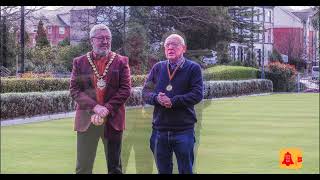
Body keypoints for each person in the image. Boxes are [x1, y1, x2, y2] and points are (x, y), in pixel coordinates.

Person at [69, 24, 131, 174]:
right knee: (83, 167)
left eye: (108, 38)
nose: (105, 41)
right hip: (86, 121)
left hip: (113, 120)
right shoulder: (80, 62)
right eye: (101, 38)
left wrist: (106, 109)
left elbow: (125, 90)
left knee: (115, 168)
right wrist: (95, 108)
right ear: (92, 41)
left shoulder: (121, 61)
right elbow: (75, 90)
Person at [142, 33, 203, 174]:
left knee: (185, 170)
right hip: (159, 130)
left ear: (184, 48)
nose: (170, 47)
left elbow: (197, 94)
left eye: (174, 44)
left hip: (183, 130)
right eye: (167, 45)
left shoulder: (193, 68)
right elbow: (145, 93)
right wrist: (157, 98)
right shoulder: (158, 68)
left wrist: (173, 101)